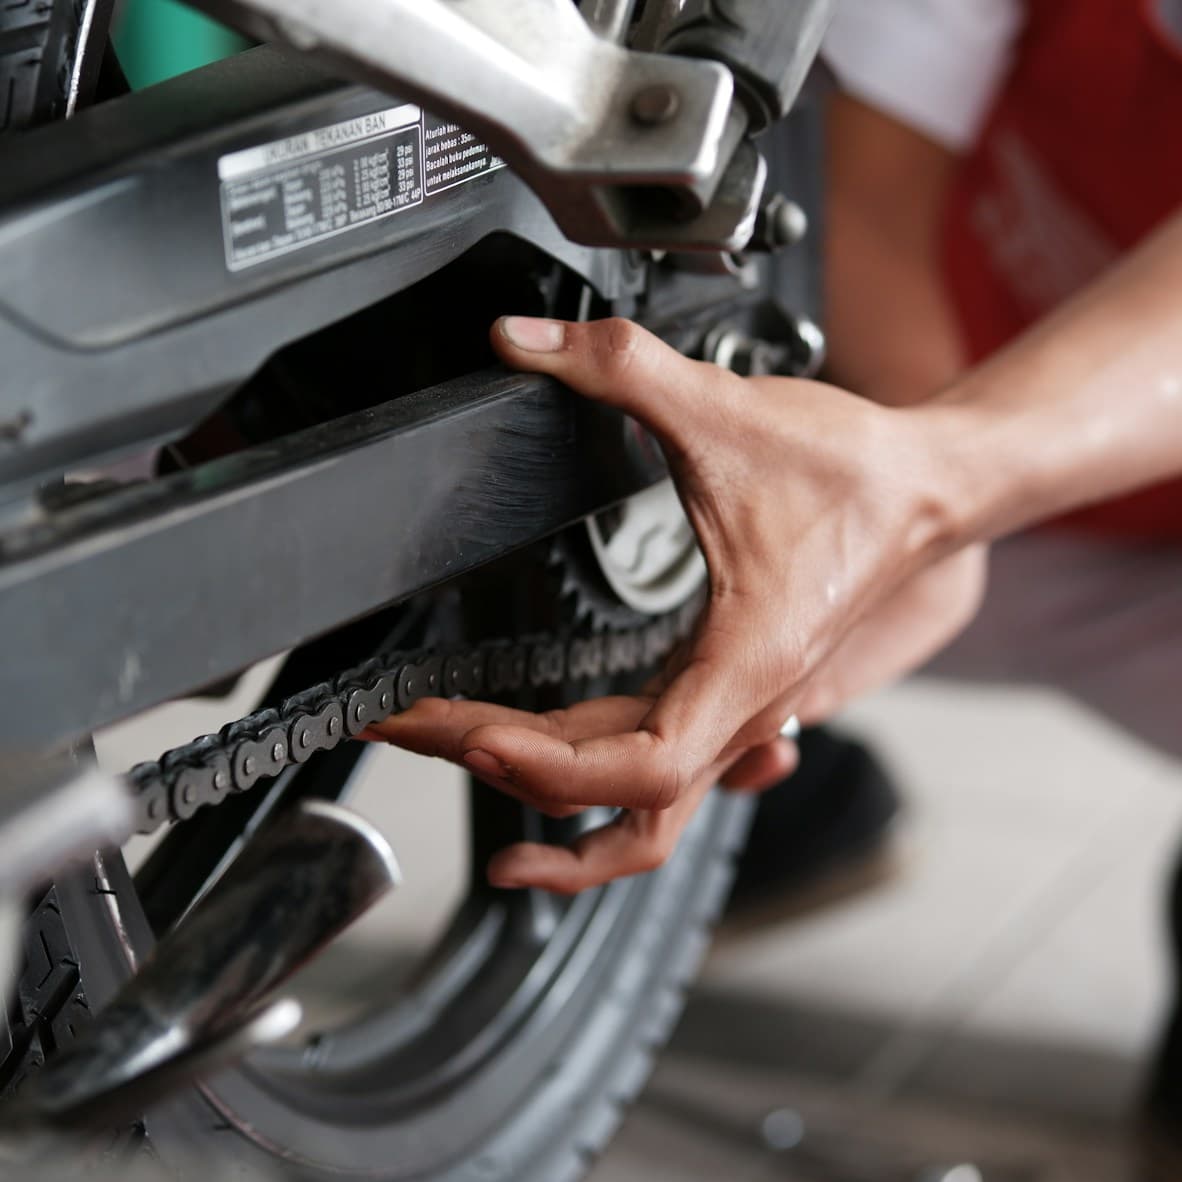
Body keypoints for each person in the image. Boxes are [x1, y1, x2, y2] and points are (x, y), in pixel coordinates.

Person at [367, 0, 1182, 1146]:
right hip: (930, 430)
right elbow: (876, 206)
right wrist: (920, 497)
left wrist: (935, 482)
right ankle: (781, 796)